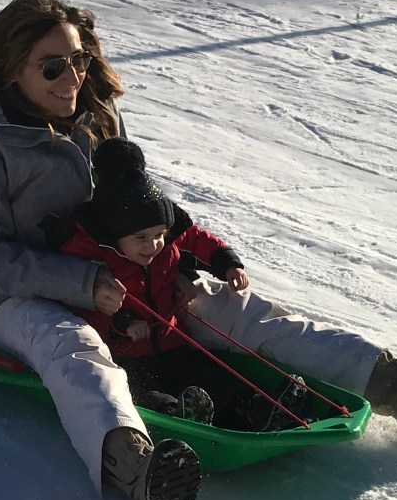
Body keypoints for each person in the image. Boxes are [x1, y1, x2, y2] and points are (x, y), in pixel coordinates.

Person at [0, 0, 397, 500]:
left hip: (119, 277)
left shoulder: (95, 115)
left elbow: (135, 203)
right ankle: (137, 471)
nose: (72, 77)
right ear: (12, 68)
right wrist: (81, 282)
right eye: (53, 66)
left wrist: (170, 264)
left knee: (233, 309)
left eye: (79, 60)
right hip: (15, 297)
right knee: (71, 344)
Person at [44, 137, 310, 433]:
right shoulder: (91, 257)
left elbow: (196, 239)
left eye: (159, 235)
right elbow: (79, 307)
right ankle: (175, 415)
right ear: (114, 235)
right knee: (139, 391)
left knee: (205, 374)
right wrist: (123, 323)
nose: (153, 245)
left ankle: (255, 407)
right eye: (141, 238)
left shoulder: (159, 237)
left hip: (172, 341)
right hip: (122, 355)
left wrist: (227, 262)